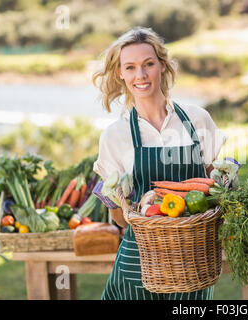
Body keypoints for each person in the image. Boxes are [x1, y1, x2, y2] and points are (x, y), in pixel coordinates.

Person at [91, 27, 227, 300]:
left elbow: (216, 191)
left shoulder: (197, 120)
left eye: (148, 64)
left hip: (193, 262)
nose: (140, 76)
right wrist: (118, 200)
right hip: (137, 263)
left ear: (162, 66)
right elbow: (119, 218)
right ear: (120, 73)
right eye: (130, 67)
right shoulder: (115, 136)